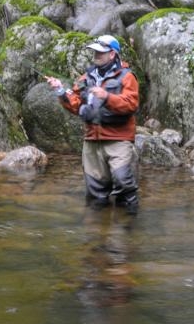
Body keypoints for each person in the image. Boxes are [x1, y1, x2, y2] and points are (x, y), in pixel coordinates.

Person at [46, 35, 140, 214]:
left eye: (100, 52)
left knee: (124, 183)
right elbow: (76, 104)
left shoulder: (127, 77)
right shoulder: (86, 78)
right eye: (95, 51)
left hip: (118, 140)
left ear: (112, 54)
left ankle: (128, 230)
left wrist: (107, 97)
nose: (96, 55)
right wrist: (59, 90)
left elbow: (131, 104)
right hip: (91, 141)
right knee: (95, 191)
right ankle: (97, 232)